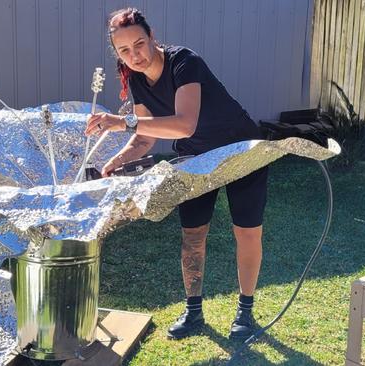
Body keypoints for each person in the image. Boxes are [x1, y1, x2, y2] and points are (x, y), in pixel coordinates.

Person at [84, 8, 268, 340]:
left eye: (139, 44)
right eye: (124, 51)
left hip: (242, 151)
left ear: (152, 37)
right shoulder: (137, 81)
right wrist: (115, 162)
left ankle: (246, 312)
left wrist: (120, 121)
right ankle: (194, 313)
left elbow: (185, 123)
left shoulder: (185, 61)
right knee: (193, 236)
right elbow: (144, 138)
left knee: (247, 233)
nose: (135, 56)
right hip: (197, 158)